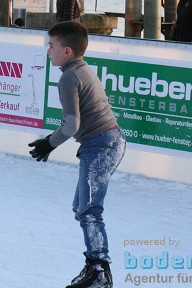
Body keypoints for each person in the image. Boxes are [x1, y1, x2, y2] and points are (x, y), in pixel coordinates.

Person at [28, 20, 124, 288]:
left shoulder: (69, 77)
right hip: (106, 142)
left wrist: (49, 143)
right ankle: (94, 266)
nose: (49, 51)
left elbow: (72, 125)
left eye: (51, 46)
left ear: (67, 51)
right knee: (81, 207)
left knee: (90, 210)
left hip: (102, 144)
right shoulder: (80, 69)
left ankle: (100, 272)